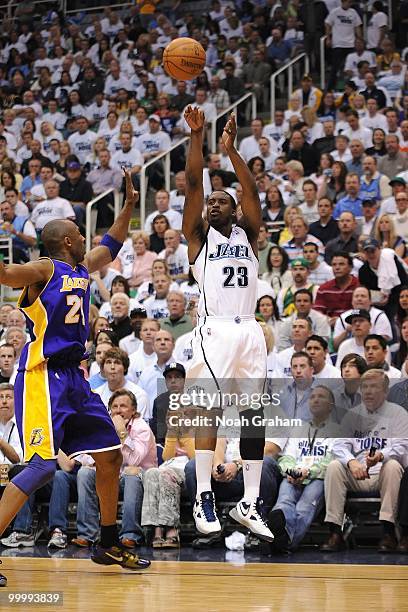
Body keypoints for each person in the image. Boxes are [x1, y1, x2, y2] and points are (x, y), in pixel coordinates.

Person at [0, 170, 151, 588]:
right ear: (66, 239)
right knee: (40, 466)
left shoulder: (82, 266)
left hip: (75, 377)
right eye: (78, 235)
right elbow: (9, 275)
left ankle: (106, 542)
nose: (85, 239)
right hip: (42, 376)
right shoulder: (46, 268)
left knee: (110, 455)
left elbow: (113, 243)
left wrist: (128, 206)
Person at [182, 106, 274, 541]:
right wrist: (198, 139)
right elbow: (192, 189)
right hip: (215, 328)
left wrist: (231, 150)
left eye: (223, 201)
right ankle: (204, 495)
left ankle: (249, 502)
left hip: (250, 328)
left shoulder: (247, 235)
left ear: (235, 212)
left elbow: (252, 191)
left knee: (255, 416)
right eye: (211, 201)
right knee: (210, 409)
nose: (214, 203)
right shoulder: (198, 240)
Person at [321, 370, 408, 553]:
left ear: (385, 391)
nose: (368, 391)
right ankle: (335, 532)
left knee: (392, 466)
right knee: (335, 466)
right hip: (358, 473)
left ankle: (388, 532)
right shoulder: (352, 415)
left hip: (384, 473)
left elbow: (402, 446)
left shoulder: (398, 413)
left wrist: (381, 455)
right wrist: (352, 462)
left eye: (374, 386)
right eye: (365, 387)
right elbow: (338, 445)